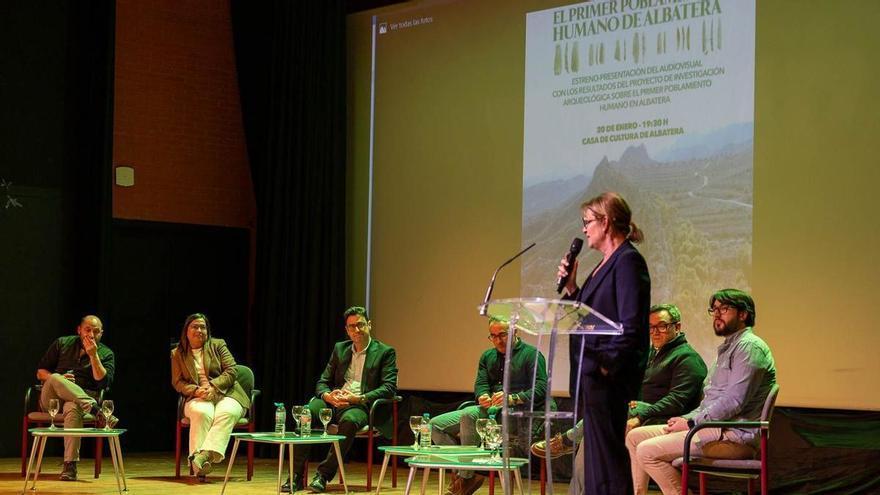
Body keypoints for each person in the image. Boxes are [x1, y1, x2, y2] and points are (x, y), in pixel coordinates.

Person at [531, 304, 707, 494]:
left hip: (667, 423)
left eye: (662, 326)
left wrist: (641, 411)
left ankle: (567, 442)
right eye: (651, 327)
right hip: (639, 417)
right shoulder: (652, 355)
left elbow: (677, 401)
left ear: (677, 327)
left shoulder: (687, 359)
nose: (655, 332)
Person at [625, 289, 777, 495]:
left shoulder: (749, 348)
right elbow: (710, 402)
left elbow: (734, 401)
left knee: (646, 450)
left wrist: (690, 423)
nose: (717, 314)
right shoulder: (728, 348)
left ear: (743, 314)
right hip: (711, 427)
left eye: (724, 309)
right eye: (714, 309)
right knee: (634, 437)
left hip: (731, 435)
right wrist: (685, 418)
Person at [558, 191, 651, 494]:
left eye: (587, 222)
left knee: (608, 463)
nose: (584, 229)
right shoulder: (603, 265)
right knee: (597, 465)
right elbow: (583, 318)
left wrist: (606, 368)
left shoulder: (627, 262)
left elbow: (631, 325)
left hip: (606, 378)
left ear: (606, 221)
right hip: (592, 376)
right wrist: (572, 287)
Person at [284, 306, 398, 493]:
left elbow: (389, 388)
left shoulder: (385, 352)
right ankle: (295, 476)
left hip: (360, 405)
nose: (357, 330)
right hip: (334, 401)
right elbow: (323, 381)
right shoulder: (340, 348)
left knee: (350, 421)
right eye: (352, 326)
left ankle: (323, 475)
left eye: (360, 325)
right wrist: (327, 395)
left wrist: (359, 398)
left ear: (369, 325)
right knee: (306, 414)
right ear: (347, 330)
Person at [431, 317, 551, 495]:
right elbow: (481, 384)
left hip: (519, 414)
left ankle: (465, 478)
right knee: (434, 426)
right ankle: (466, 473)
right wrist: (482, 396)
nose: (497, 341)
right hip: (489, 411)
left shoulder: (532, 354)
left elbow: (541, 388)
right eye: (493, 336)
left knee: (469, 415)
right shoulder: (487, 356)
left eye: (502, 335)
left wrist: (512, 398)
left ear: (514, 331)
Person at [36, 315, 116, 481]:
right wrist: (60, 379)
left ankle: (70, 466)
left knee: (72, 407)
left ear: (101, 333)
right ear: (79, 330)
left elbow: (103, 383)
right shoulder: (62, 343)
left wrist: (94, 356)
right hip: (53, 400)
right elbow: (41, 372)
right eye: (88, 330)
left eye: (96, 332)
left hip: (78, 403)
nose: (91, 335)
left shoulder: (106, 353)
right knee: (55, 378)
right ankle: (96, 410)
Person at [171, 313, 250, 479]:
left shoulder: (218, 345)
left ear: (208, 331)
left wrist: (214, 387)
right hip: (196, 396)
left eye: (203, 327)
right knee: (202, 413)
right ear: (186, 331)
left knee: (226, 412)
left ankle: (201, 457)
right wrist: (195, 390)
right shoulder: (177, 353)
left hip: (227, 393)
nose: (199, 330)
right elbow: (177, 382)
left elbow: (232, 370)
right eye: (195, 326)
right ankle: (200, 466)